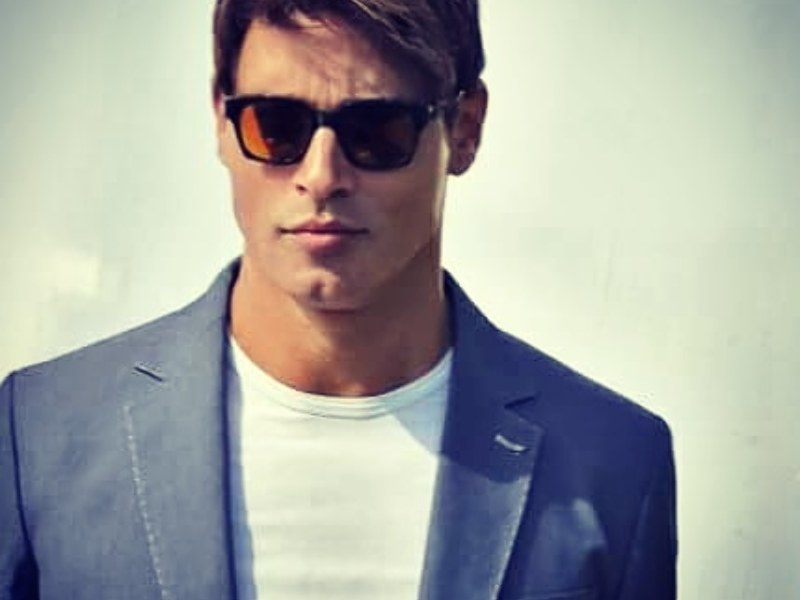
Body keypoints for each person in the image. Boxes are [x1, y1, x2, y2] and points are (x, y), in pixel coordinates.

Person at [0, 0, 677, 598]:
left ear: (465, 128)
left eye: (376, 129)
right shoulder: (39, 433)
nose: (321, 176)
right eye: (276, 125)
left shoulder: (615, 461)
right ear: (220, 120)